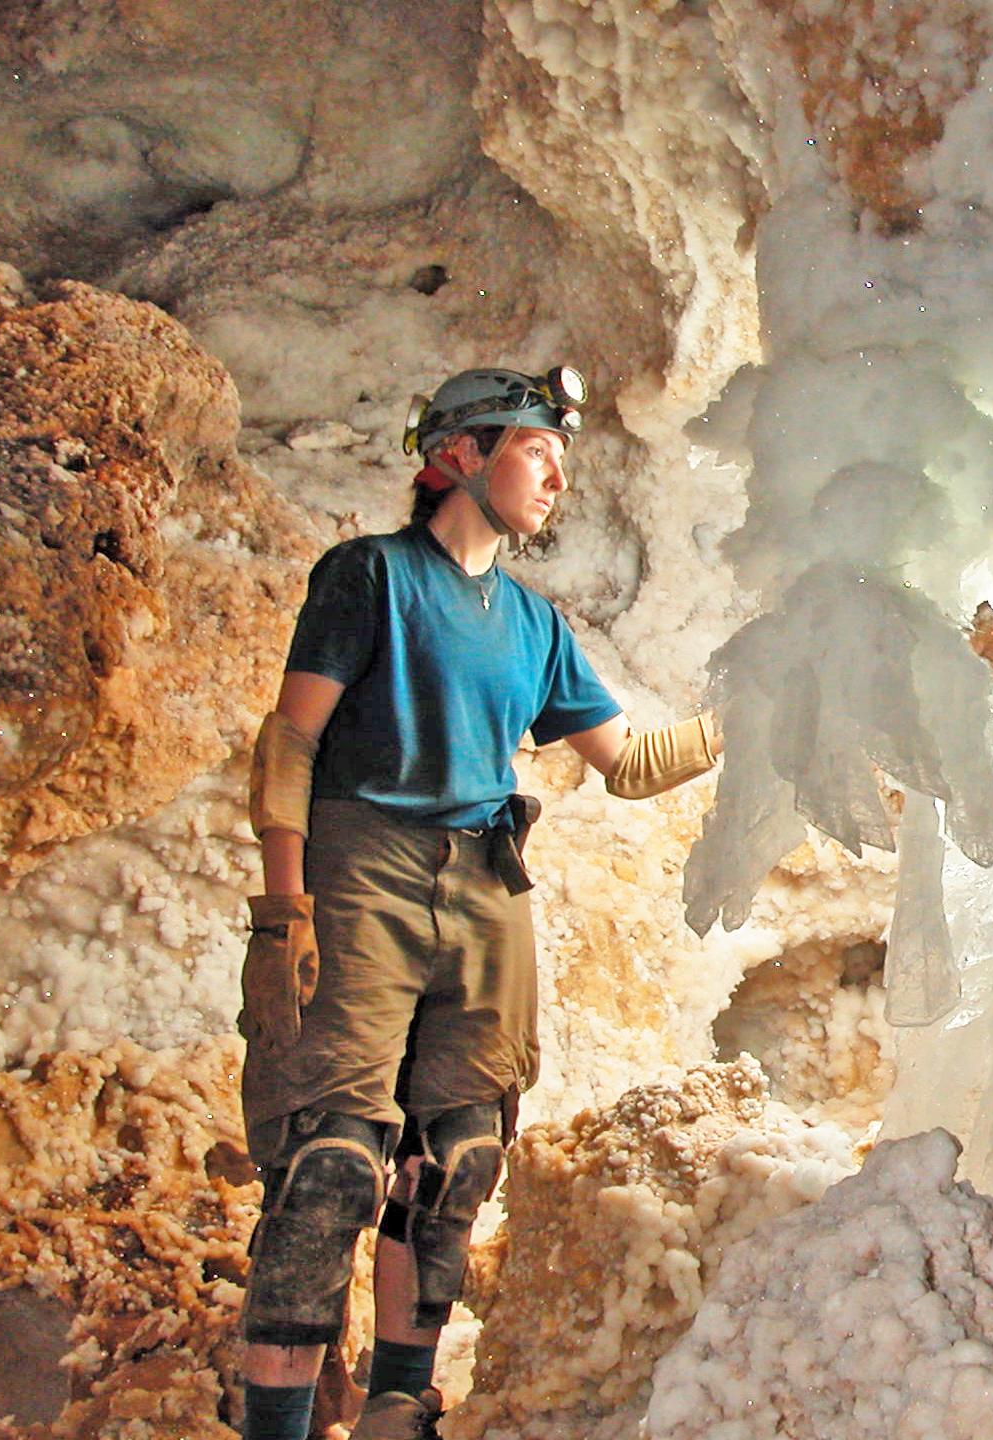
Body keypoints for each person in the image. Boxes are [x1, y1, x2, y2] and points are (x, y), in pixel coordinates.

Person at [234, 367, 719, 1440]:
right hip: (362, 861)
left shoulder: (535, 625)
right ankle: (276, 1423)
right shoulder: (370, 577)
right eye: (537, 447)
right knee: (330, 1167)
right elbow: (291, 741)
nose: (558, 472)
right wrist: (285, 911)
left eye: (560, 455)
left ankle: (399, 1404)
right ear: (457, 455)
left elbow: (629, 762)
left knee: (455, 1156)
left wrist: (751, 716)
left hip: (486, 884)